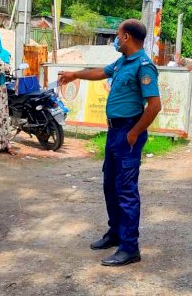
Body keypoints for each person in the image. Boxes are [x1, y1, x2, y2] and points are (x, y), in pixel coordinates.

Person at [58, 19, 162, 267]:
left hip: (128, 132)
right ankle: (115, 233)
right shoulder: (122, 62)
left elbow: (155, 105)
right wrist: (74, 75)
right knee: (110, 186)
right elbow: (100, 72)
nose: (115, 39)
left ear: (126, 37)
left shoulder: (144, 66)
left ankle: (129, 247)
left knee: (126, 191)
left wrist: (135, 133)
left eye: (117, 35)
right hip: (114, 132)